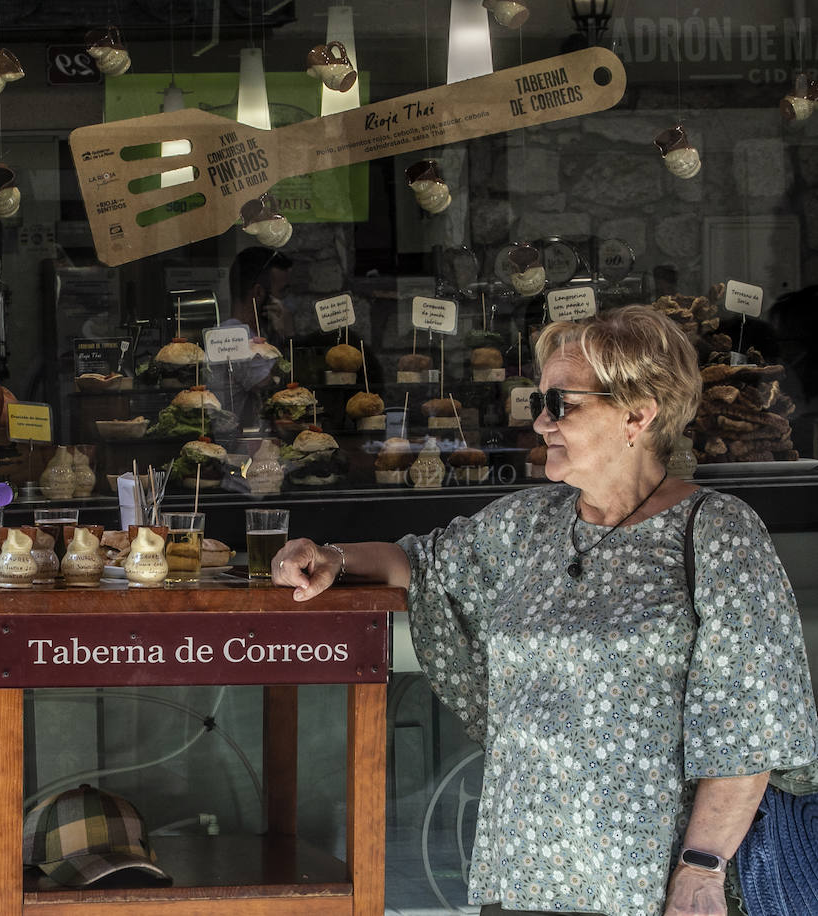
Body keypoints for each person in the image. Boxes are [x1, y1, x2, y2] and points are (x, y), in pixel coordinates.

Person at [272, 305, 818, 916]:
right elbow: (421, 564)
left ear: (637, 414)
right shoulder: (529, 522)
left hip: (649, 878)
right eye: (540, 401)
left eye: (562, 404)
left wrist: (701, 871)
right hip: (524, 867)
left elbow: (751, 728)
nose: (540, 422)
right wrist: (328, 556)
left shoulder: (717, 534)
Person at [207, 247, 294, 422]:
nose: (285, 302)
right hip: (235, 441)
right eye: (282, 292)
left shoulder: (253, 336)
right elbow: (271, 389)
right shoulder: (232, 336)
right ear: (259, 293)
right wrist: (287, 335)